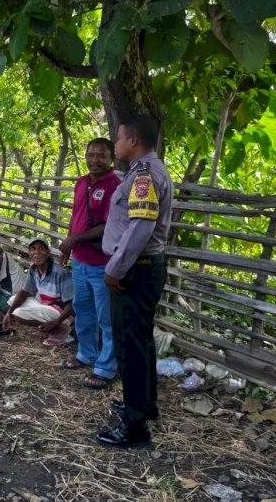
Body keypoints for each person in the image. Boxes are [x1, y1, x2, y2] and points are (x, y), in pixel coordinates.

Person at [96, 114, 173, 449]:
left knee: (131, 345)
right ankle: (144, 404)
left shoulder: (144, 175)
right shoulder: (144, 172)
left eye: (118, 137)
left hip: (135, 270)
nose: (115, 145)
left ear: (133, 140)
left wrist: (116, 267)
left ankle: (135, 425)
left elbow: (140, 227)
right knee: (140, 341)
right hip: (141, 268)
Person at [58, 138, 122, 389]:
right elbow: (76, 218)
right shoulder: (81, 183)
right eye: (91, 154)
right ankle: (87, 354)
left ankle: (106, 367)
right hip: (81, 261)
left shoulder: (115, 186)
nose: (95, 160)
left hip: (102, 263)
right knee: (83, 310)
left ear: (111, 159)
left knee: (107, 318)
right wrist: (70, 244)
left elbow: (110, 225)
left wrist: (76, 238)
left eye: (101, 155)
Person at [2, 237, 75, 346]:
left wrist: (56, 322)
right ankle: (51, 326)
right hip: (45, 305)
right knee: (13, 301)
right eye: (33, 249)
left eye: (41, 249)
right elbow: (24, 292)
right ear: (29, 253)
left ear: (48, 253)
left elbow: (71, 304)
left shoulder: (60, 273)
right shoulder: (34, 269)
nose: (37, 252)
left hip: (61, 312)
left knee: (18, 313)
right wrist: (8, 312)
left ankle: (61, 327)